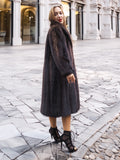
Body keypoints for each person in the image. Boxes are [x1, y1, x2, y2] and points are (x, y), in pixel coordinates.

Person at [40, 4, 80, 153]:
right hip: (61, 74)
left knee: (53, 103)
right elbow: (59, 54)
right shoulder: (56, 29)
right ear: (52, 16)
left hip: (53, 74)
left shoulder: (57, 29)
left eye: (61, 13)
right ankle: (67, 137)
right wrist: (68, 71)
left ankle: (54, 130)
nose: (59, 16)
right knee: (66, 106)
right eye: (56, 14)